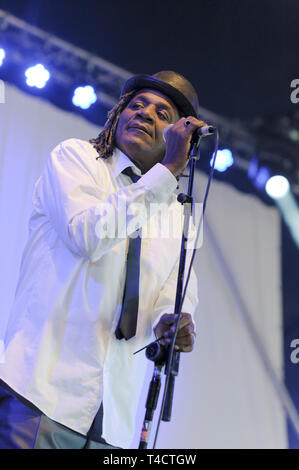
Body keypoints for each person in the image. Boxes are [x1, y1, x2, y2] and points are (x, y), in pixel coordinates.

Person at [0, 70, 204, 449]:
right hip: (41, 392)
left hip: (113, 415)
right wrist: (167, 172)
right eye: (137, 104)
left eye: (163, 113)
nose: (145, 113)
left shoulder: (182, 213)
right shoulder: (76, 158)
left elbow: (179, 292)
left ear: (183, 139)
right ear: (119, 113)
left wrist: (173, 325)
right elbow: (89, 236)